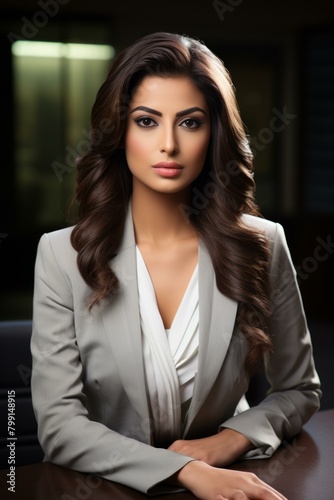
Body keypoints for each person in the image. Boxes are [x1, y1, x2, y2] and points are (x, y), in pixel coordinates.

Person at [31, 32, 321, 500]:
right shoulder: (61, 254)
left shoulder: (263, 244)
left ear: (214, 133)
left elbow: (299, 390)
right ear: (119, 131)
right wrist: (185, 468)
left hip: (233, 482)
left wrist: (228, 442)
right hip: (103, 489)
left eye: (190, 123)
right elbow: (59, 426)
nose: (168, 144)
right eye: (146, 121)